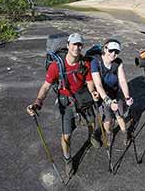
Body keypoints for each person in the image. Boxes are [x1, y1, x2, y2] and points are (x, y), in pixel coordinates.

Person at [27, 33, 100, 176]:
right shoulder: (56, 66)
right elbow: (45, 87)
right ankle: (68, 160)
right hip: (66, 103)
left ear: (82, 47)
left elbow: (90, 83)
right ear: (68, 46)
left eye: (79, 45)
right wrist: (37, 102)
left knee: (92, 122)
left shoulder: (85, 63)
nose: (76, 47)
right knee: (66, 136)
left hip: (83, 98)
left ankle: (91, 137)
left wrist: (93, 92)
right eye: (74, 44)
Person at [90, 39, 133, 146]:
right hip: (104, 95)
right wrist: (108, 101)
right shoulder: (95, 62)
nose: (113, 54)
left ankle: (125, 133)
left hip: (115, 92)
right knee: (108, 119)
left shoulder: (118, 63)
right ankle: (109, 133)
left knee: (119, 115)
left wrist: (127, 97)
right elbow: (98, 85)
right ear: (105, 49)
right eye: (111, 50)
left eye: (116, 52)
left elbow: (122, 80)